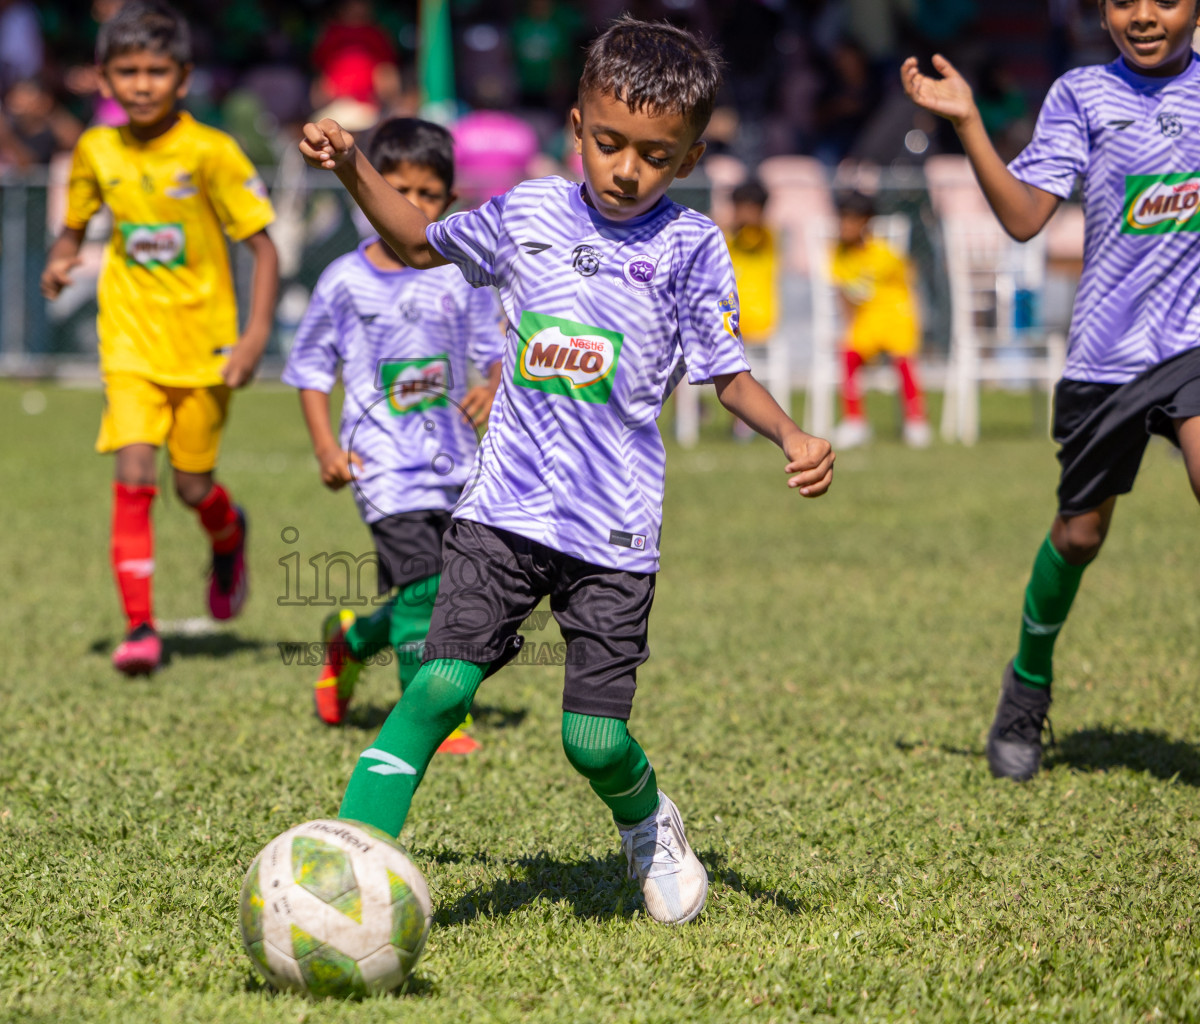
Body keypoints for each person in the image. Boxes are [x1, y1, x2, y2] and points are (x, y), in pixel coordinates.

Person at [300, 16, 834, 925]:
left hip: (615, 530)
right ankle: (348, 870)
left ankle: (648, 822)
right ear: (577, 128)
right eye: (612, 143)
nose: (629, 169)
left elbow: (725, 371)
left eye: (657, 156)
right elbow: (422, 239)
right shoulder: (527, 213)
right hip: (503, 510)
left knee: (592, 739)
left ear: (692, 154)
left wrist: (792, 435)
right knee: (438, 682)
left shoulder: (691, 247)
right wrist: (355, 165)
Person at [903, 0, 1200, 781]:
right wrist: (968, 122)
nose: (1143, 15)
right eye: (1123, 0)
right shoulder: (1081, 95)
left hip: (1194, 343)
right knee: (1079, 536)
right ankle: (1027, 684)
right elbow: (1026, 218)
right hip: (1106, 360)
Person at [41, 1, 279, 676]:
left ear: (183, 77)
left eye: (155, 70)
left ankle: (229, 534)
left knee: (191, 485)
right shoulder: (97, 149)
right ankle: (140, 627)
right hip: (129, 342)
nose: (141, 84)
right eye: (128, 71)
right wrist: (60, 259)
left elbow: (263, 249)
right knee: (135, 469)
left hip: (205, 345)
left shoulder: (210, 152)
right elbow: (76, 224)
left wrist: (255, 335)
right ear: (103, 79)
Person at [282, 117, 505, 756]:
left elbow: (496, 350)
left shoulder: (460, 276)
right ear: (366, 190)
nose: (410, 206)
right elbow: (310, 370)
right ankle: (432, 721)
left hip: (458, 463)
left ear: (451, 201)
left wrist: (491, 386)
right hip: (381, 464)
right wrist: (327, 447)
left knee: (449, 593)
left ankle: (351, 641)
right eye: (395, 188)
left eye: (427, 194)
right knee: (425, 586)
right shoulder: (344, 282)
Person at [830, 190, 931, 449]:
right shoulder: (838, 254)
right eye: (842, 220)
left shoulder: (885, 253)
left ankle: (916, 420)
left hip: (895, 315)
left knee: (904, 362)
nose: (846, 227)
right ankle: (855, 421)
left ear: (866, 223)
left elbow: (909, 279)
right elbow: (843, 291)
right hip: (867, 320)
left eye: (852, 220)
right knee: (848, 354)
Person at [725, 178, 779, 440]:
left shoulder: (767, 237)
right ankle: (687, 413)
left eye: (751, 208)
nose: (745, 214)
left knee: (733, 359)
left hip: (758, 320)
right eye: (740, 207)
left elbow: (753, 238)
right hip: (727, 318)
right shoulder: (723, 236)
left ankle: (743, 421)